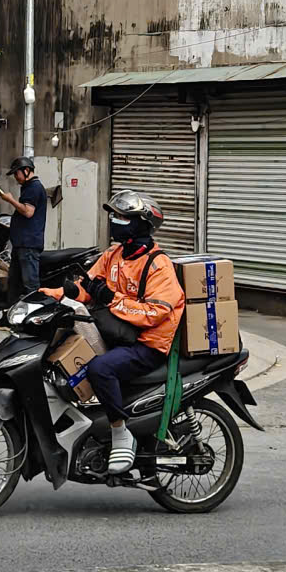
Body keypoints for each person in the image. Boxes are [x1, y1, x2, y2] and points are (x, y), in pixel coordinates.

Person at [63, 190, 185, 475]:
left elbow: (154, 313)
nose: (116, 221)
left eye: (123, 217)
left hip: (149, 344)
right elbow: (89, 284)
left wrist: (110, 299)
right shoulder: (114, 254)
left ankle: (120, 434)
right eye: (115, 216)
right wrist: (58, 293)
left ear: (140, 225)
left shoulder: (158, 265)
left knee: (100, 369)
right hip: (120, 333)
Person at [0, 153, 47, 301]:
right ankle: (9, 317)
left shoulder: (34, 188)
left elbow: (28, 212)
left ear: (26, 170)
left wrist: (10, 200)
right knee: (14, 284)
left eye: (16, 173)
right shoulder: (28, 187)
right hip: (21, 244)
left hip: (28, 244)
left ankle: (32, 320)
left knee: (30, 285)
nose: (16, 177)